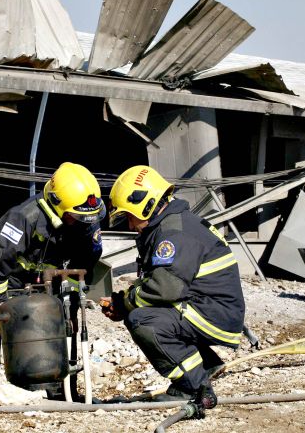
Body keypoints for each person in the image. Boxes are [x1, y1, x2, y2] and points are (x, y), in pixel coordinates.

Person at [102, 165, 245, 407]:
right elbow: (162, 281)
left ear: (145, 205)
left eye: (129, 216)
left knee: (142, 320)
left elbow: (165, 288)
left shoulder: (174, 233)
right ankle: (207, 364)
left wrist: (126, 303)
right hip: (213, 308)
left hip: (214, 313)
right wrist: (126, 300)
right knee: (141, 312)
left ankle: (191, 386)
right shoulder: (172, 225)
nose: (129, 225)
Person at [0, 162, 105, 389]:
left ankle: (54, 388)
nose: (80, 223)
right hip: (2, 280)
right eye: (73, 217)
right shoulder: (23, 218)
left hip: (45, 282)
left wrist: (69, 296)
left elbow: (88, 257)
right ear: (57, 205)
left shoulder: (83, 218)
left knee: (57, 328)